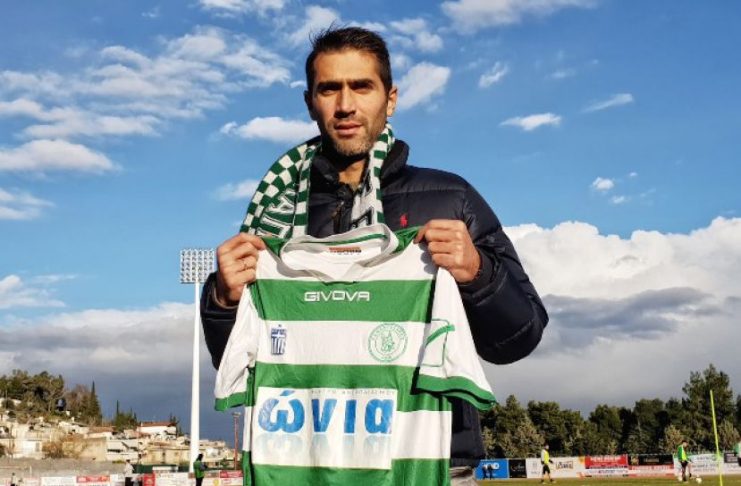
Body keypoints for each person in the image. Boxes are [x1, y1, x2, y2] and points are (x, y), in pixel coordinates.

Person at [201, 26, 548, 485]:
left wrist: (478, 274)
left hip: (429, 462)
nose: (345, 105)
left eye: (361, 86)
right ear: (310, 102)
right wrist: (223, 301)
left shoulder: (450, 199)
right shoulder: (276, 212)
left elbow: (521, 335)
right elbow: (243, 358)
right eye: (329, 89)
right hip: (307, 465)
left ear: (391, 98)